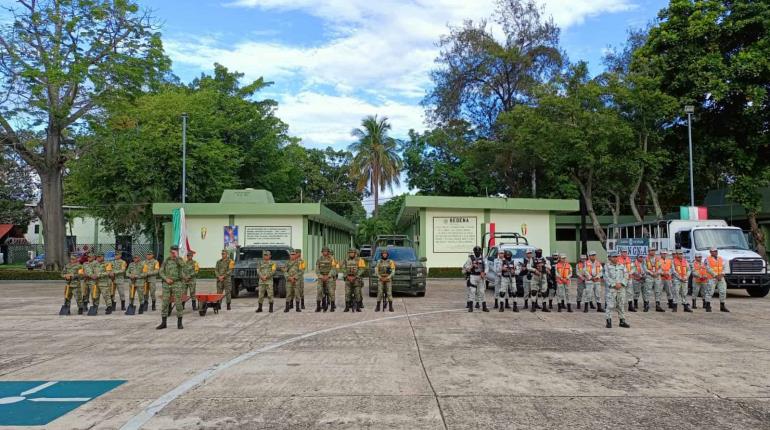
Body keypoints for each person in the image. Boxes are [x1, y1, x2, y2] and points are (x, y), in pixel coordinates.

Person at [156, 245, 186, 330]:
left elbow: (184, 266)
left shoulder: (180, 260)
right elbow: (161, 271)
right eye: (172, 251)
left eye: (175, 251)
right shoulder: (166, 260)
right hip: (166, 284)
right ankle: (163, 323)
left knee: (178, 303)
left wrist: (177, 257)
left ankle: (179, 323)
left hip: (177, 283)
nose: (172, 253)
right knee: (165, 303)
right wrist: (166, 278)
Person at [604, 251, 630, 329]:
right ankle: (608, 321)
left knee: (621, 304)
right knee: (610, 305)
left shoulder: (622, 266)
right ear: (610, 258)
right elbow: (606, 276)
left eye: (616, 257)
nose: (615, 258)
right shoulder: (607, 266)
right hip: (612, 289)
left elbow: (626, 275)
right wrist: (614, 284)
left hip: (621, 288)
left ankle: (622, 321)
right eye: (613, 257)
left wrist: (621, 283)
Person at [462, 246, 488, 312]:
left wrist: (484, 273)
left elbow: (487, 267)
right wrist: (472, 266)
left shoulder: (483, 258)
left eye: (478, 252)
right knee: (472, 291)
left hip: (480, 276)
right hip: (473, 276)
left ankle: (484, 306)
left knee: (482, 291)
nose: (477, 253)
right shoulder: (470, 258)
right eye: (476, 252)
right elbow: (466, 267)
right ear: (474, 252)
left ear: (480, 252)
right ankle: (470, 307)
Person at [706, 247, 730, 312]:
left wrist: (722, 274)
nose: (715, 252)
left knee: (723, 291)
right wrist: (716, 275)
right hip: (712, 278)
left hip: (721, 277)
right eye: (713, 251)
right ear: (710, 252)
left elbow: (725, 267)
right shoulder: (707, 259)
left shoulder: (721, 259)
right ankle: (708, 306)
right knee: (710, 292)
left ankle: (722, 306)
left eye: (716, 251)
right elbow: (708, 269)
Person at [343, 248, 367, 312]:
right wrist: (347, 276)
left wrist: (356, 276)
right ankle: (347, 307)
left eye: (352, 252)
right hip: (348, 278)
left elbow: (362, 269)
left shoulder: (359, 260)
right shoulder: (345, 260)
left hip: (356, 279)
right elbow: (343, 268)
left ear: (355, 253)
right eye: (350, 252)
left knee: (357, 293)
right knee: (347, 293)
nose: (351, 254)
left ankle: (358, 306)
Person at [315, 247, 336, 312]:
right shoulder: (319, 259)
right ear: (322, 252)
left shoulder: (332, 259)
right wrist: (320, 276)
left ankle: (332, 307)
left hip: (329, 277)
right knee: (319, 291)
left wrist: (328, 276)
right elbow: (317, 269)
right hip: (321, 277)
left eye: (326, 251)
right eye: (323, 251)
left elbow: (333, 269)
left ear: (328, 252)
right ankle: (318, 306)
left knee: (331, 292)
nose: (325, 253)